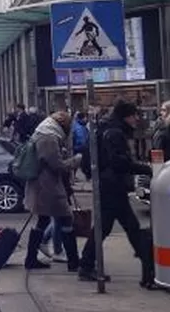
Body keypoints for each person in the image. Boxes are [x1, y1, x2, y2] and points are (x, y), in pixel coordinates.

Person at [78, 99, 152, 283]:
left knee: (109, 227)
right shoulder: (115, 133)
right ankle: (149, 269)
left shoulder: (106, 129)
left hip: (108, 184)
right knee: (128, 227)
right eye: (134, 115)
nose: (137, 118)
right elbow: (118, 162)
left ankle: (86, 265)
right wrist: (144, 168)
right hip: (112, 185)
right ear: (126, 116)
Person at [23, 111, 83, 271]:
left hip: (43, 184)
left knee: (43, 220)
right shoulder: (48, 137)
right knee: (66, 219)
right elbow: (56, 165)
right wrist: (74, 161)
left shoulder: (45, 132)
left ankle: (31, 259)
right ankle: (73, 262)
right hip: (47, 186)